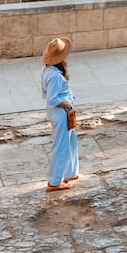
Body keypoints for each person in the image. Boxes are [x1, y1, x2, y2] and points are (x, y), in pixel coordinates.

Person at [41, 37, 80, 191]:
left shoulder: (47, 70)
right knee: (61, 146)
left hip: (61, 111)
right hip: (61, 111)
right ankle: (54, 181)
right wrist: (68, 105)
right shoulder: (56, 76)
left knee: (70, 141)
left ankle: (70, 172)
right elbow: (52, 99)